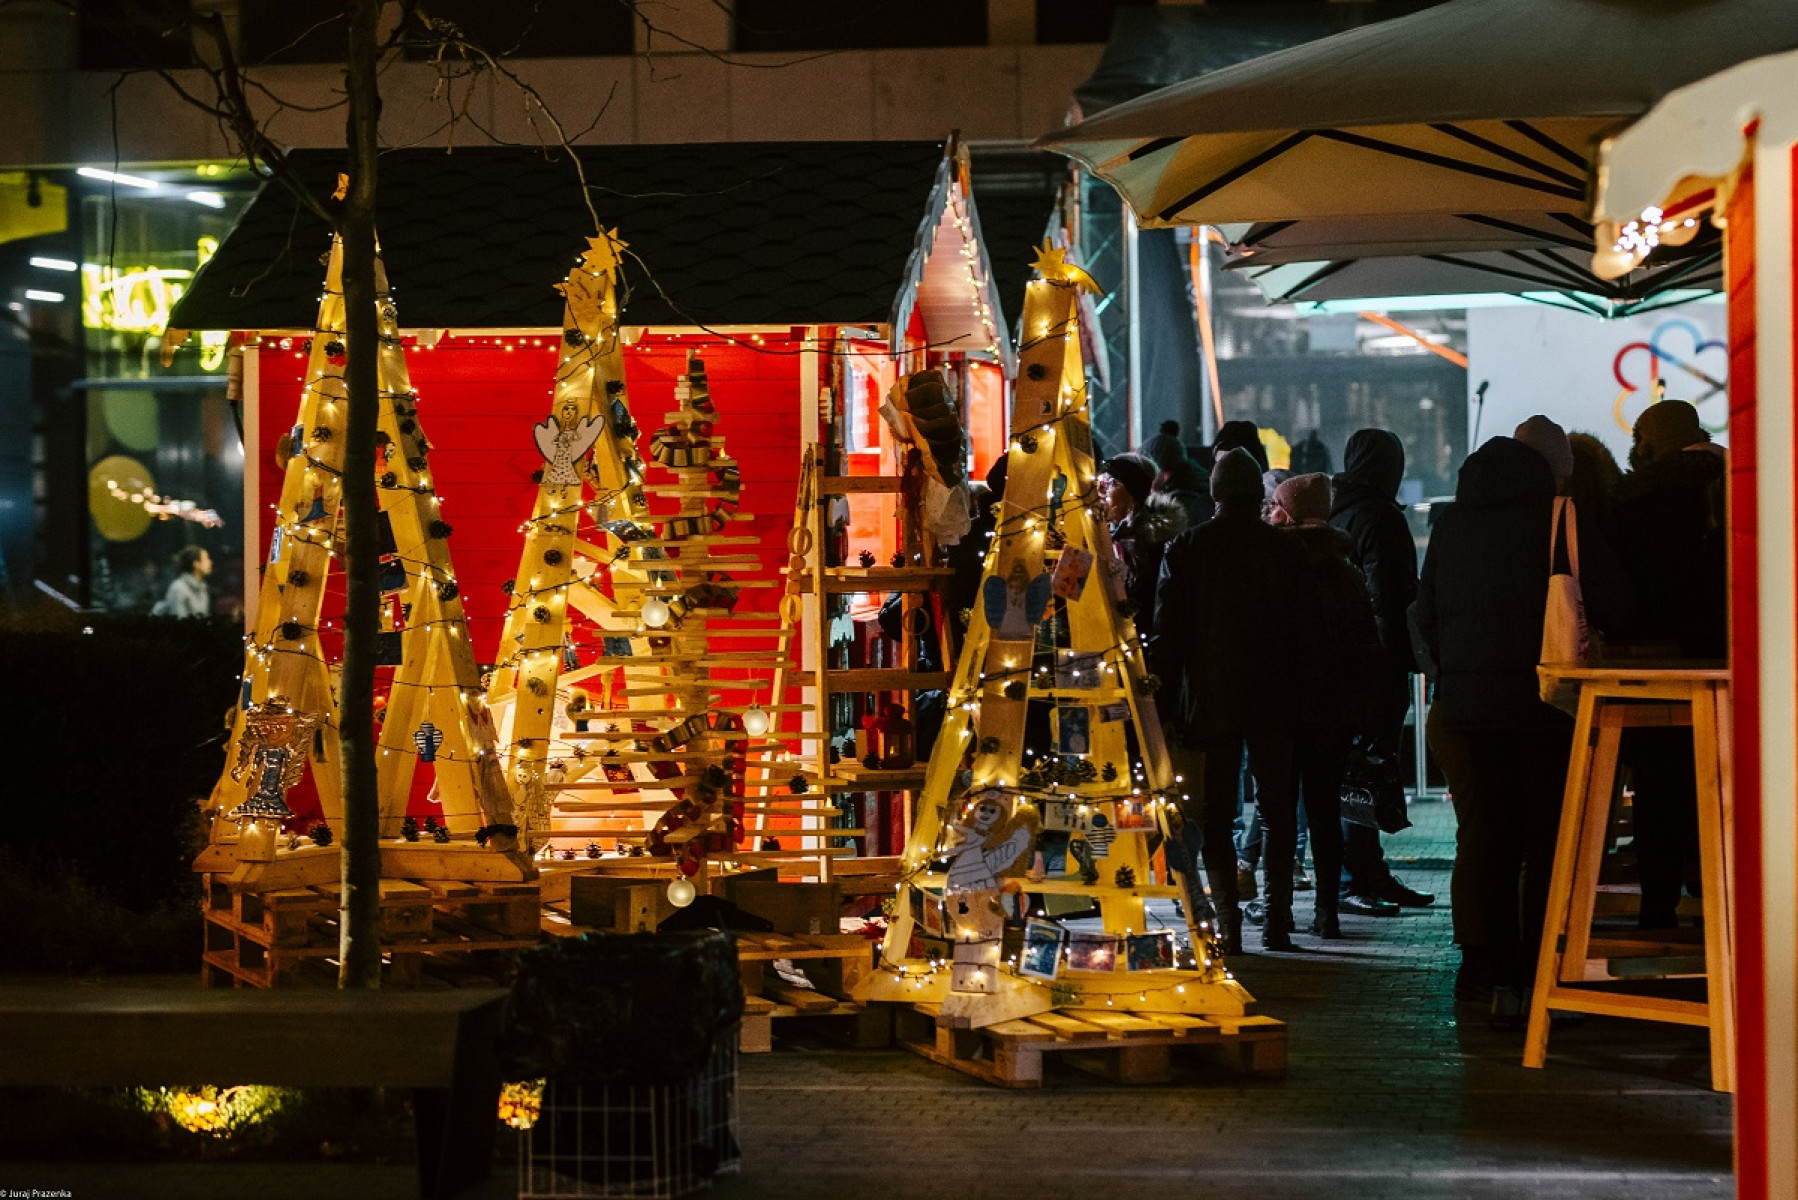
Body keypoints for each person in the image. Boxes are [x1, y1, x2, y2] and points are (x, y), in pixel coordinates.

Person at [1153, 448, 1324, 953]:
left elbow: (1168, 636)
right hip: (1276, 697)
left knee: (1216, 814)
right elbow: (1309, 633)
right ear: (1260, 495)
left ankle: (1228, 927)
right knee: (1276, 809)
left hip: (1212, 698)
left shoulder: (1187, 548)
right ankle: (1277, 919)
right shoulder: (1288, 551)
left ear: (1215, 493)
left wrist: (1164, 705)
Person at [1608, 399, 1727, 928]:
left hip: (1655, 664)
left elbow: (1623, 593)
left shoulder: (1639, 502)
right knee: (1724, 788)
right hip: (1732, 663)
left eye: (1638, 437)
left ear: (1651, 444)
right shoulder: (1737, 484)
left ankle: (1658, 909)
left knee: (1659, 789)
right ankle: (1724, 902)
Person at [1266, 472, 1383, 938]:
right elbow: (1365, 647)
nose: (1271, 513)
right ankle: (1326, 912)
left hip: (1279, 711)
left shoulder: (1272, 567)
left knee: (1276, 815)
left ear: (1289, 511)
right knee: (1323, 815)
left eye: (1276, 505)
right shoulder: (1346, 570)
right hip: (1331, 713)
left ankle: (1277, 918)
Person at [1329, 429, 1429, 914]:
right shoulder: (1380, 516)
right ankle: (1359, 877)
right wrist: (1396, 663)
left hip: (1342, 661)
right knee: (1371, 767)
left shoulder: (1338, 508)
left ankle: (1364, 872)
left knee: (1353, 769)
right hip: (1377, 663)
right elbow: (1389, 597)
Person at [1100, 452, 1187, 631]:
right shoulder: (1103, 534)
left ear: (1132, 494)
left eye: (1113, 483)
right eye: (1103, 482)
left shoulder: (1154, 543)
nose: (1103, 491)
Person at [155, 546, 212, 618]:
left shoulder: (202, 588)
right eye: (206, 559)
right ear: (196, 564)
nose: (210, 562)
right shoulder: (178, 588)